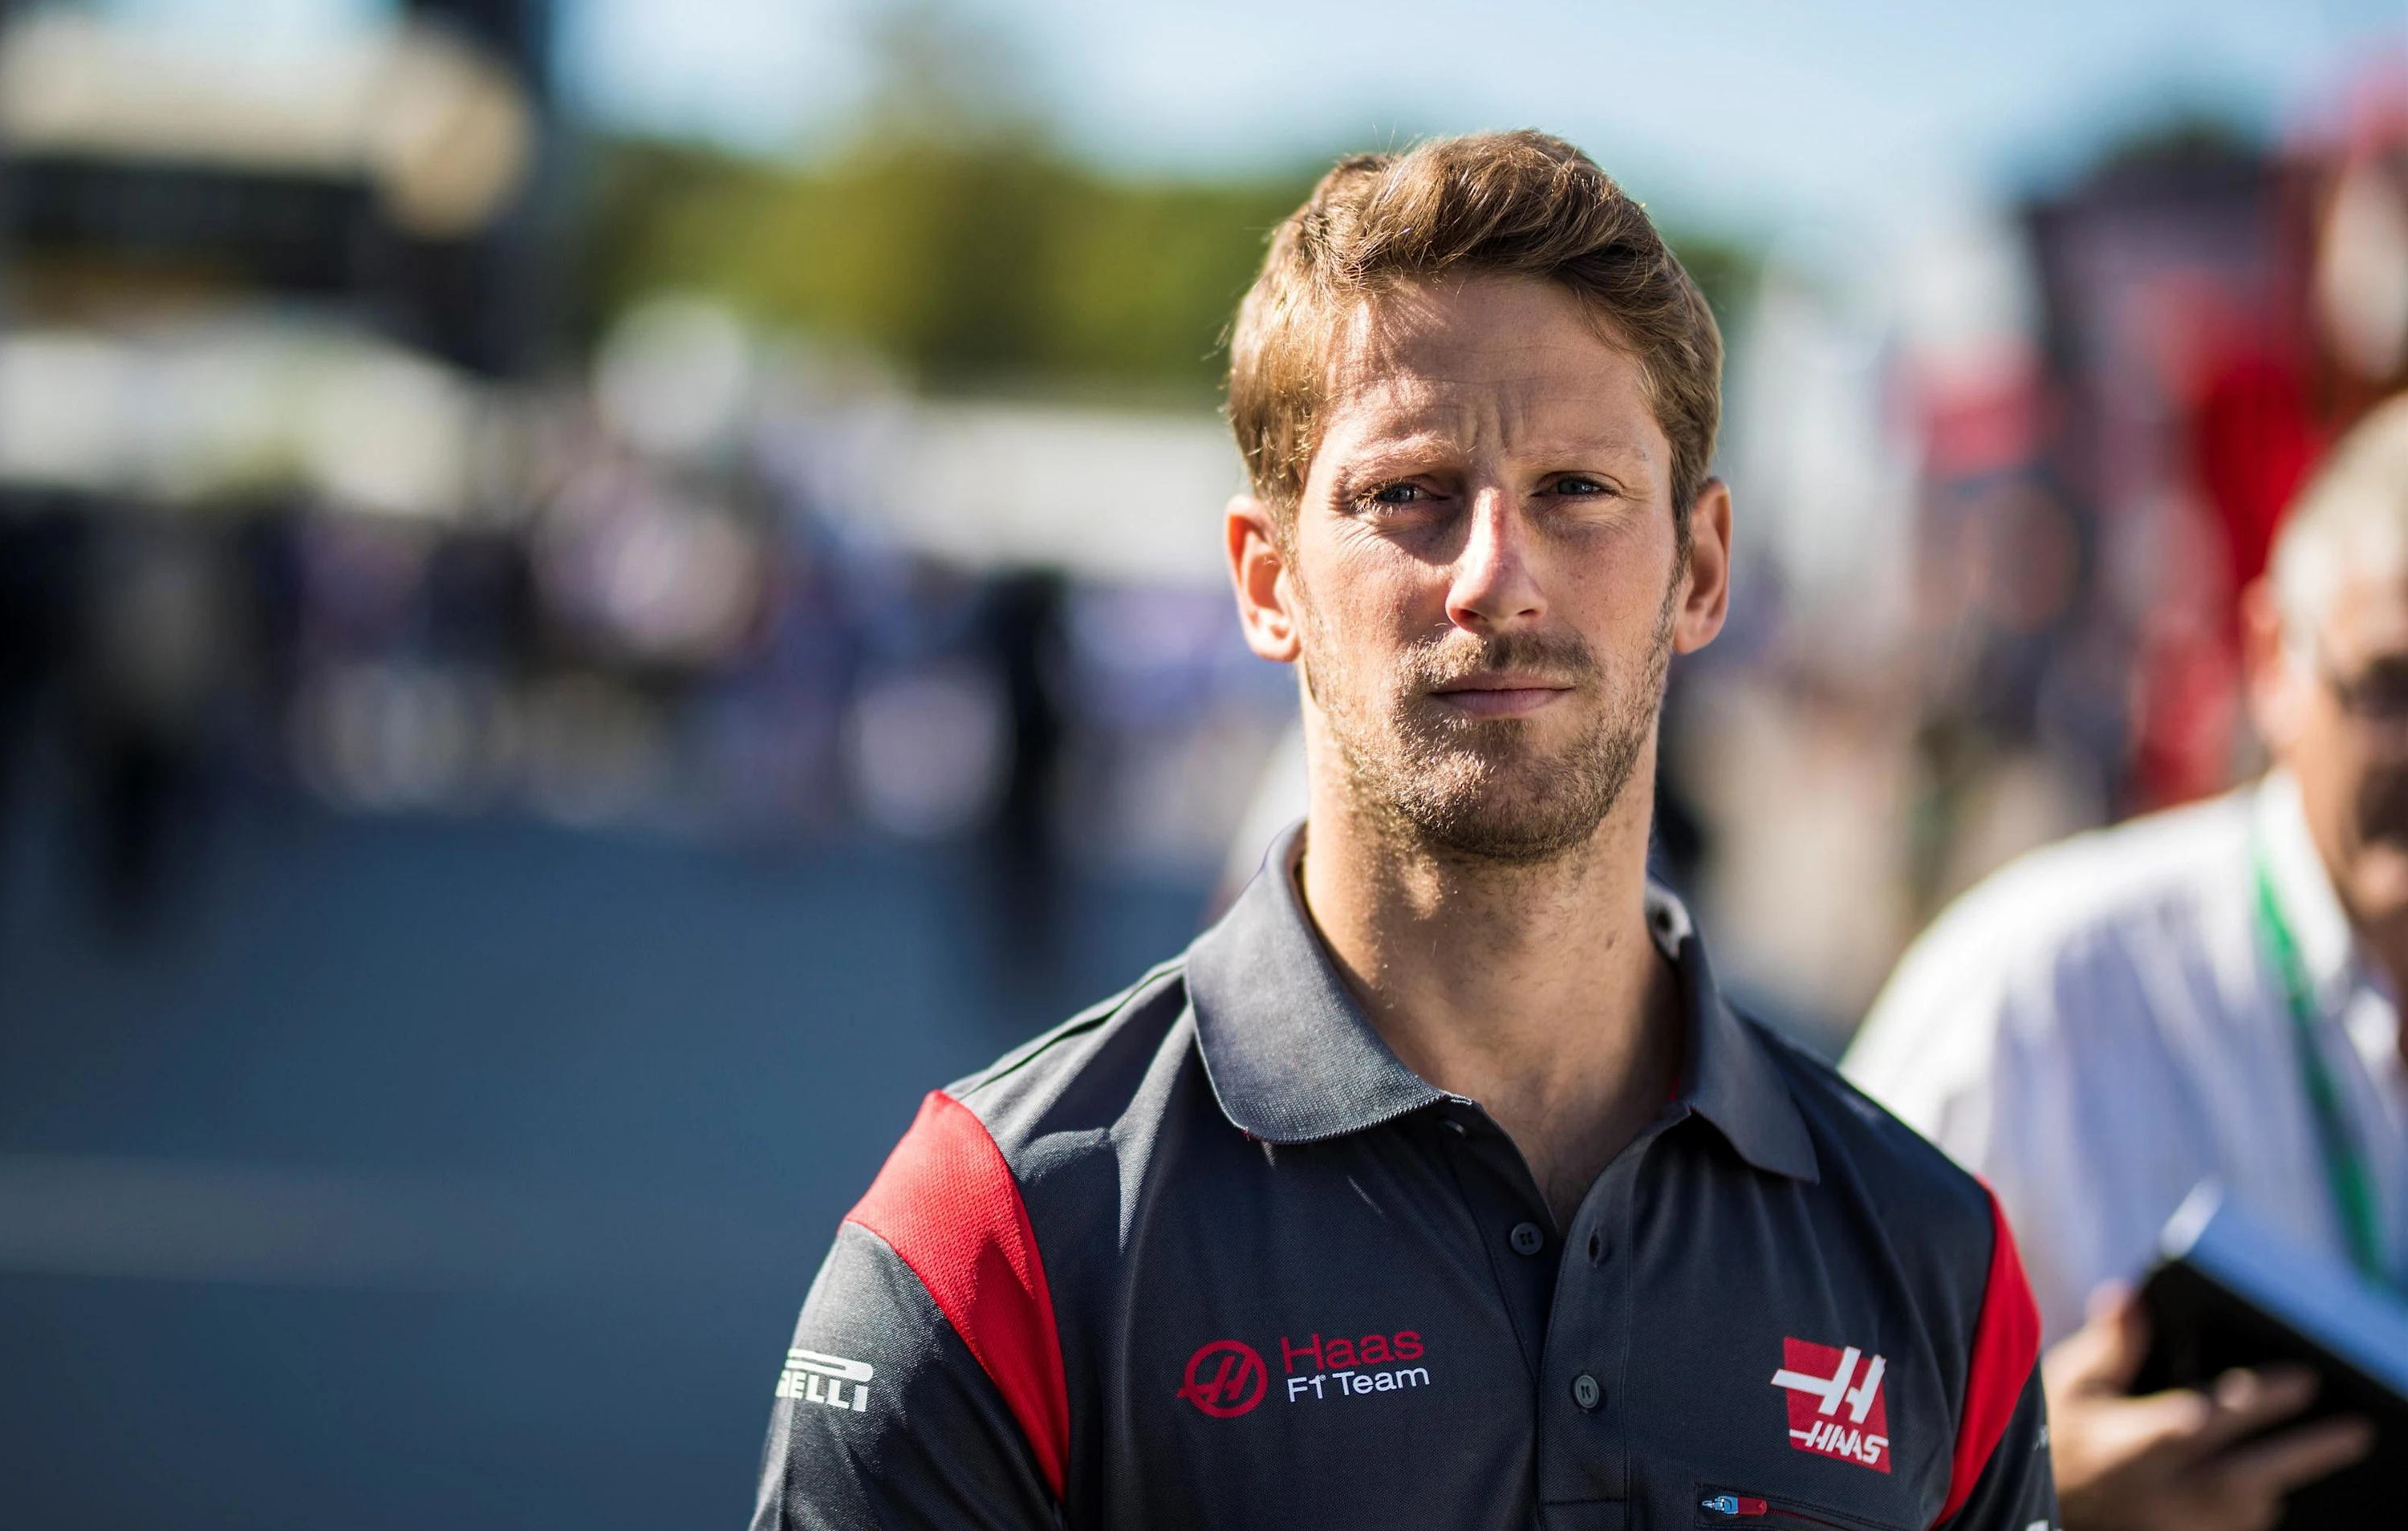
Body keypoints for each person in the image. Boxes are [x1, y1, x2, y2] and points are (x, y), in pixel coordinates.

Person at [754, 132, 2053, 1531]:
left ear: (1704, 568)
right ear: (1268, 583)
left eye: (1578, 491)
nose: (1497, 576)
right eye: (1407, 494)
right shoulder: (990, 1241)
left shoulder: (1939, 1262)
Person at [1843, 404, 2408, 1531]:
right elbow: (1763, 1432)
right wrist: (2033, 1488)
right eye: (2393, 688)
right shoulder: (2036, 994)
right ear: (2271, 663)